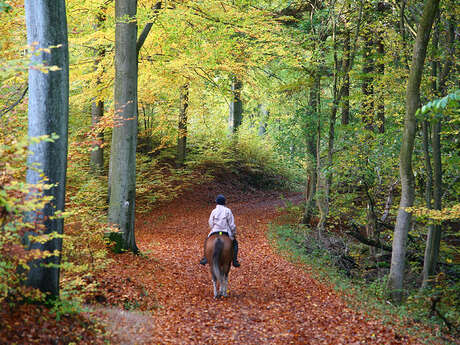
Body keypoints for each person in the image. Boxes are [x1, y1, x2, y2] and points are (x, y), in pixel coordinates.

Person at [199, 194, 240, 267]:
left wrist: (213, 228)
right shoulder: (228, 211)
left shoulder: (213, 211)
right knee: (235, 243)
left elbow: (210, 223)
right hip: (226, 232)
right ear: (224, 202)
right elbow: (232, 225)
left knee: (206, 242)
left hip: (215, 231)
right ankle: (234, 260)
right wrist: (234, 233)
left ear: (216, 202)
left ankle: (205, 258)